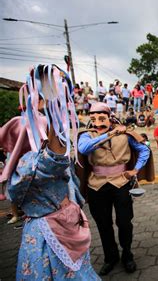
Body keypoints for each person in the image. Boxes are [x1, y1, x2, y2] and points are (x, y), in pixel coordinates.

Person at [3, 64, 100, 280]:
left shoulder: (18, 166)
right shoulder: (31, 164)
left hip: (50, 228)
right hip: (50, 235)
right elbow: (54, 157)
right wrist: (53, 99)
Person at [76, 102, 153, 276]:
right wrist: (109, 134)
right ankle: (110, 258)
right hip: (96, 185)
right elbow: (83, 148)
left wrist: (135, 170)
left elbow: (144, 150)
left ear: (109, 117)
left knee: (125, 222)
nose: (97, 122)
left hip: (121, 183)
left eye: (101, 117)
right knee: (103, 224)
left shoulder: (125, 134)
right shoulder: (86, 135)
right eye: (93, 118)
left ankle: (127, 254)